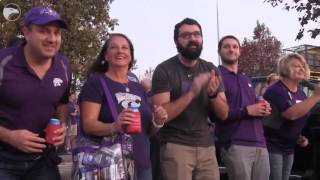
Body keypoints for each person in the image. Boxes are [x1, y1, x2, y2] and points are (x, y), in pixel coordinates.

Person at [78, 33, 168, 180]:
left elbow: (147, 132)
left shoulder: (138, 88)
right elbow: (88, 124)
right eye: (114, 47)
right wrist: (115, 126)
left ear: (131, 56)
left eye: (125, 48)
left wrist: (158, 121)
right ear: (106, 56)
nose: (120, 51)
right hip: (110, 165)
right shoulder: (96, 83)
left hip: (142, 164)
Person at [152, 18, 229, 180]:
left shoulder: (210, 68)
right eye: (186, 35)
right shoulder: (164, 69)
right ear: (176, 41)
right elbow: (161, 115)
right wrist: (192, 92)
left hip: (207, 147)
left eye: (196, 34)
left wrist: (213, 95)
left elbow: (224, 114)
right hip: (176, 146)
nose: (193, 39)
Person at [0, 6, 71, 180]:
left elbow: (62, 102)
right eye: (44, 31)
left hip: (42, 161)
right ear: (26, 33)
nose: (52, 38)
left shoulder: (63, 66)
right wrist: (9, 136)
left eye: (56, 32)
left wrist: (62, 124)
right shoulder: (3, 62)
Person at [216, 35, 271, 180]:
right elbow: (217, 114)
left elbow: (252, 106)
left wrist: (263, 107)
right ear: (219, 51)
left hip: (260, 142)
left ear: (239, 51)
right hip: (236, 143)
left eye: (235, 47)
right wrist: (247, 111)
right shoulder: (216, 76)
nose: (231, 49)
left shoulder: (245, 78)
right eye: (226, 46)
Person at [263, 53, 318, 180]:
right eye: (296, 66)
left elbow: (299, 115)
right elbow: (290, 114)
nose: (301, 69)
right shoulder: (276, 90)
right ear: (285, 68)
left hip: (289, 147)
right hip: (272, 146)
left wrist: (298, 137)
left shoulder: (300, 93)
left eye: (302, 66)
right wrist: (315, 96)